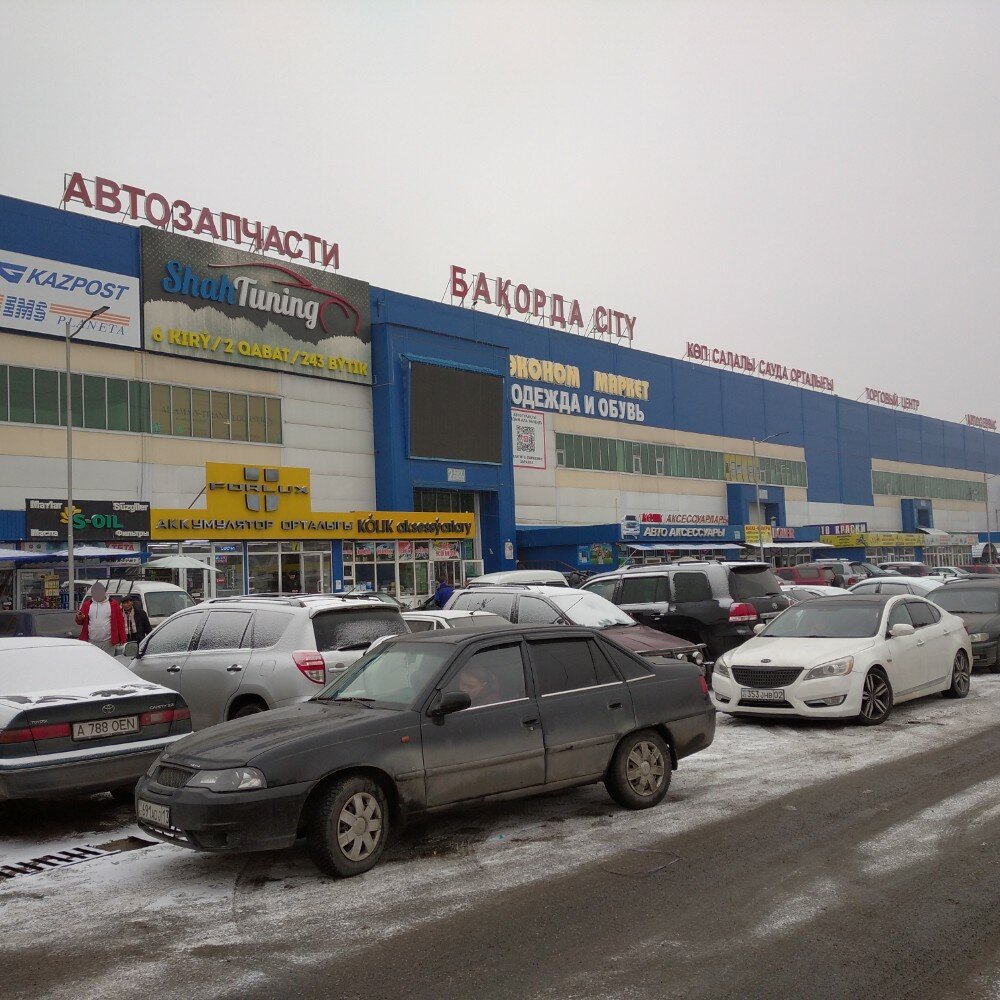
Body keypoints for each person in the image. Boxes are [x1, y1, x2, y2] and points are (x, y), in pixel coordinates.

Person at [75, 582, 126, 654]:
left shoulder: (114, 604)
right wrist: (79, 618)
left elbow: (120, 623)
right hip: (91, 642)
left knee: (108, 660)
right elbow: (79, 621)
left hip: (108, 643)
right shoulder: (87, 605)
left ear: (104, 592)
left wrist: (123, 641)